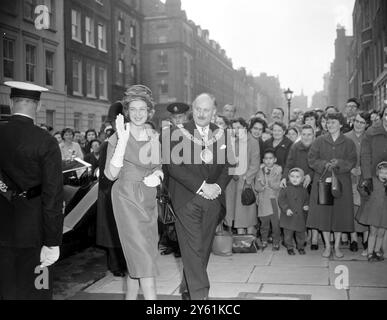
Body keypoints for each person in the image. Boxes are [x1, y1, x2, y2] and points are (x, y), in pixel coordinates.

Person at [0, 81, 63, 300]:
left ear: (10, 103)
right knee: (38, 291)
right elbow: (53, 196)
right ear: (37, 106)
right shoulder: (45, 141)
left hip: (3, 229)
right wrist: (52, 241)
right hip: (34, 230)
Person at [167, 93, 232, 300]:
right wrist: (202, 186)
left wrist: (217, 188)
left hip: (213, 200)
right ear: (192, 110)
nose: (202, 113)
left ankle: (188, 287)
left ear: (214, 112)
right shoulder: (177, 133)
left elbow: (228, 166)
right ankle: (200, 296)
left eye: (206, 110)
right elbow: (174, 167)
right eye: (198, 109)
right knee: (193, 248)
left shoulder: (222, 134)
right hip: (187, 199)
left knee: (201, 249)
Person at [105, 85, 163, 300]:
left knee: (137, 259)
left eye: (143, 109)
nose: (138, 113)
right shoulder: (117, 136)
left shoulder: (154, 136)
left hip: (147, 198)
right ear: (127, 111)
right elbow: (111, 174)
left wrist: (157, 176)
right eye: (134, 109)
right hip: (126, 198)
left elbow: (159, 165)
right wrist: (121, 140)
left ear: (149, 112)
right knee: (144, 259)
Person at [307, 112, 357, 259]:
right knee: (324, 214)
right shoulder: (319, 141)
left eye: (333, 122)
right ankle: (328, 246)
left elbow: (352, 160)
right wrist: (324, 165)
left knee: (340, 214)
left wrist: (339, 164)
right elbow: (312, 159)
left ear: (341, 124)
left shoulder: (348, 142)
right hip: (324, 182)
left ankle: (337, 247)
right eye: (328, 123)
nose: (330, 125)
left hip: (342, 183)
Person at [97, 102, 127, 278]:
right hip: (110, 192)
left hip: (122, 192)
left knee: (122, 230)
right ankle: (115, 265)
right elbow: (105, 175)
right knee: (112, 231)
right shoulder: (109, 143)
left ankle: (122, 263)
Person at [159, 103, 190, 258]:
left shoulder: (193, 133)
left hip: (187, 181)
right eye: (174, 117)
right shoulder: (164, 134)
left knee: (184, 214)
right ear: (170, 118)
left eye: (180, 117)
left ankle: (182, 246)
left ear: (186, 117)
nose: (178, 120)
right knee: (169, 213)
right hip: (169, 180)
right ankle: (173, 243)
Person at [280, 125, 319, 250]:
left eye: (309, 134)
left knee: (312, 209)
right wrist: (284, 178)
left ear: (314, 135)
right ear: (300, 135)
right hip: (297, 182)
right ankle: (293, 238)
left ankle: (313, 238)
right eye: (304, 134)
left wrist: (310, 175)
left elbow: (319, 163)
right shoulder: (296, 147)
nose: (306, 137)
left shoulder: (317, 146)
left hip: (313, 181)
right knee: (298, 210)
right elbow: (289, 163)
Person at [360, 105, 387, 258]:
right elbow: (365, 155)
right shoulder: (371, 132)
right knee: (375, 217)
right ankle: (371, 251)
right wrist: (367, 177)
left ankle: (379, 250)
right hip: (375, 180)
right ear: (383, 115)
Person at [226, 118, 260, 235]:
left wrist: (248, 180)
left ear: (245, 128)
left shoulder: (253, 142)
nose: (236, 130)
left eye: (238, 127)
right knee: (236, 212)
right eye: (234, 127)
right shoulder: (232, 141)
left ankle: (249, 238)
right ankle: (240, 239)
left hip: (245, 181)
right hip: (232, 181)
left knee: (247, 210)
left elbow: (255, 164)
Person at [344, 112, 370, 253]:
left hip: (365, 179)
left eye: (362, 122)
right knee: (351, 209)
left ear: (366, 124)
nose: (359, 124)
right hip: (349, 178)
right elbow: (340, 157)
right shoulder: (346, 137)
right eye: (357, 121)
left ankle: (366, 239)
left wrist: (364, 170)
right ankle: (353, 238)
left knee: (365, 207)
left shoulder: (369, 138)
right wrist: (350, 169)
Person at [357, 162, 387, 262]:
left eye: (386, 173)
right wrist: (362, 186)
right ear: (377, 173)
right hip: (373, 212)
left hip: (384, 213)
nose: (384, 175)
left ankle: (377, 250)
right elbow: (363, 190)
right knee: (373, 232)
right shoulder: (372, 181)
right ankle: (370, 252)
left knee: (381, 233)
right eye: (382, 172)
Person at [255, 149, 282, 251]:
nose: (268, 160)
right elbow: (257, 187)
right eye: (266, 158)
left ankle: (276, 242)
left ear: (275, 159)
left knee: (275, 224)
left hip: (274, 200)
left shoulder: (278, 171)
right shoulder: (260, 171)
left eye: (270, 158)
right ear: (263, 160)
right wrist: (262, 186)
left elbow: (278, 185)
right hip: (263, 201)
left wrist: (268, 182)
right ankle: (264, 240)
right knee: (264, 224)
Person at [278, 168, 310, 255]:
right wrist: (286, 209)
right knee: (288, 234)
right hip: (288, 215)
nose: (294, 179)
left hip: (300, 216)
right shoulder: (285, 188)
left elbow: (307, 199)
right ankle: (289, 247)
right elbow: (281, 200)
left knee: (301, 234)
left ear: (302, 178)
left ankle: (300, 247)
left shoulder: (303, 189)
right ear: (288, 177)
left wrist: (306, 205)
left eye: (297, 177)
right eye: (292, 176)